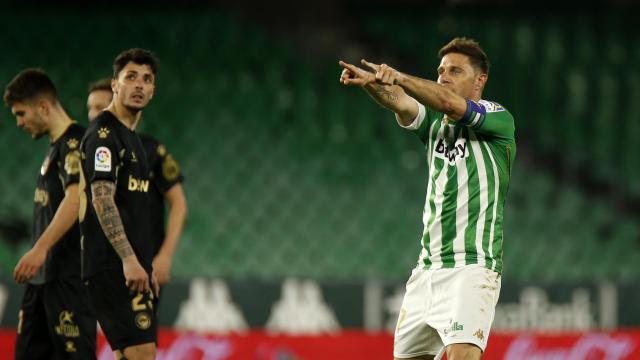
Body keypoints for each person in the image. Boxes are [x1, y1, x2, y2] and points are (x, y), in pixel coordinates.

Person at [339, 37, 516, 360]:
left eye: (455, 70)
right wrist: (373, 83)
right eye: (440, 70)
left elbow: (448, 103)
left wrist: (401, 77)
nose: (444, 76)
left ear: (480, 79)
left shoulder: (497, 118)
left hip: (472, 266)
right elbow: (401, 102)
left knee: (463, 355)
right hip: (427, 270)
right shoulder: (435, 124)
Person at [4, 68, 96, 359]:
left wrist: (40, 248)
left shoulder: (75, 143)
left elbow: (75, 197)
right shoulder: (55, 149)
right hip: (41, 282)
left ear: (43, 107)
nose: (18, 122)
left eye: (21, 113)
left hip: (67, 279)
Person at [79, 48, 160, 360]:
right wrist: (128, 259)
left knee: (131, 354)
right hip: (112, 263)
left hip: (131, 264)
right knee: (141, 352)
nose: (139, 85)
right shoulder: (104, 134)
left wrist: (143, 262)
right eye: (131, 77)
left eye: (147, 79)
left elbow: (133, 208)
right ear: (115, 85)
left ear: (153, 91)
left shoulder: (132, 137)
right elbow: (102, 197)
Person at [86, 79, 187, 289]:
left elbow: (178, 203)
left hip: (143, 262)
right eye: (91, 108)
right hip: (100, 262)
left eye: (100, 107)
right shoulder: (89, 148)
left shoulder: (151, 150)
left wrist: (165, 256)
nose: (93, 115)